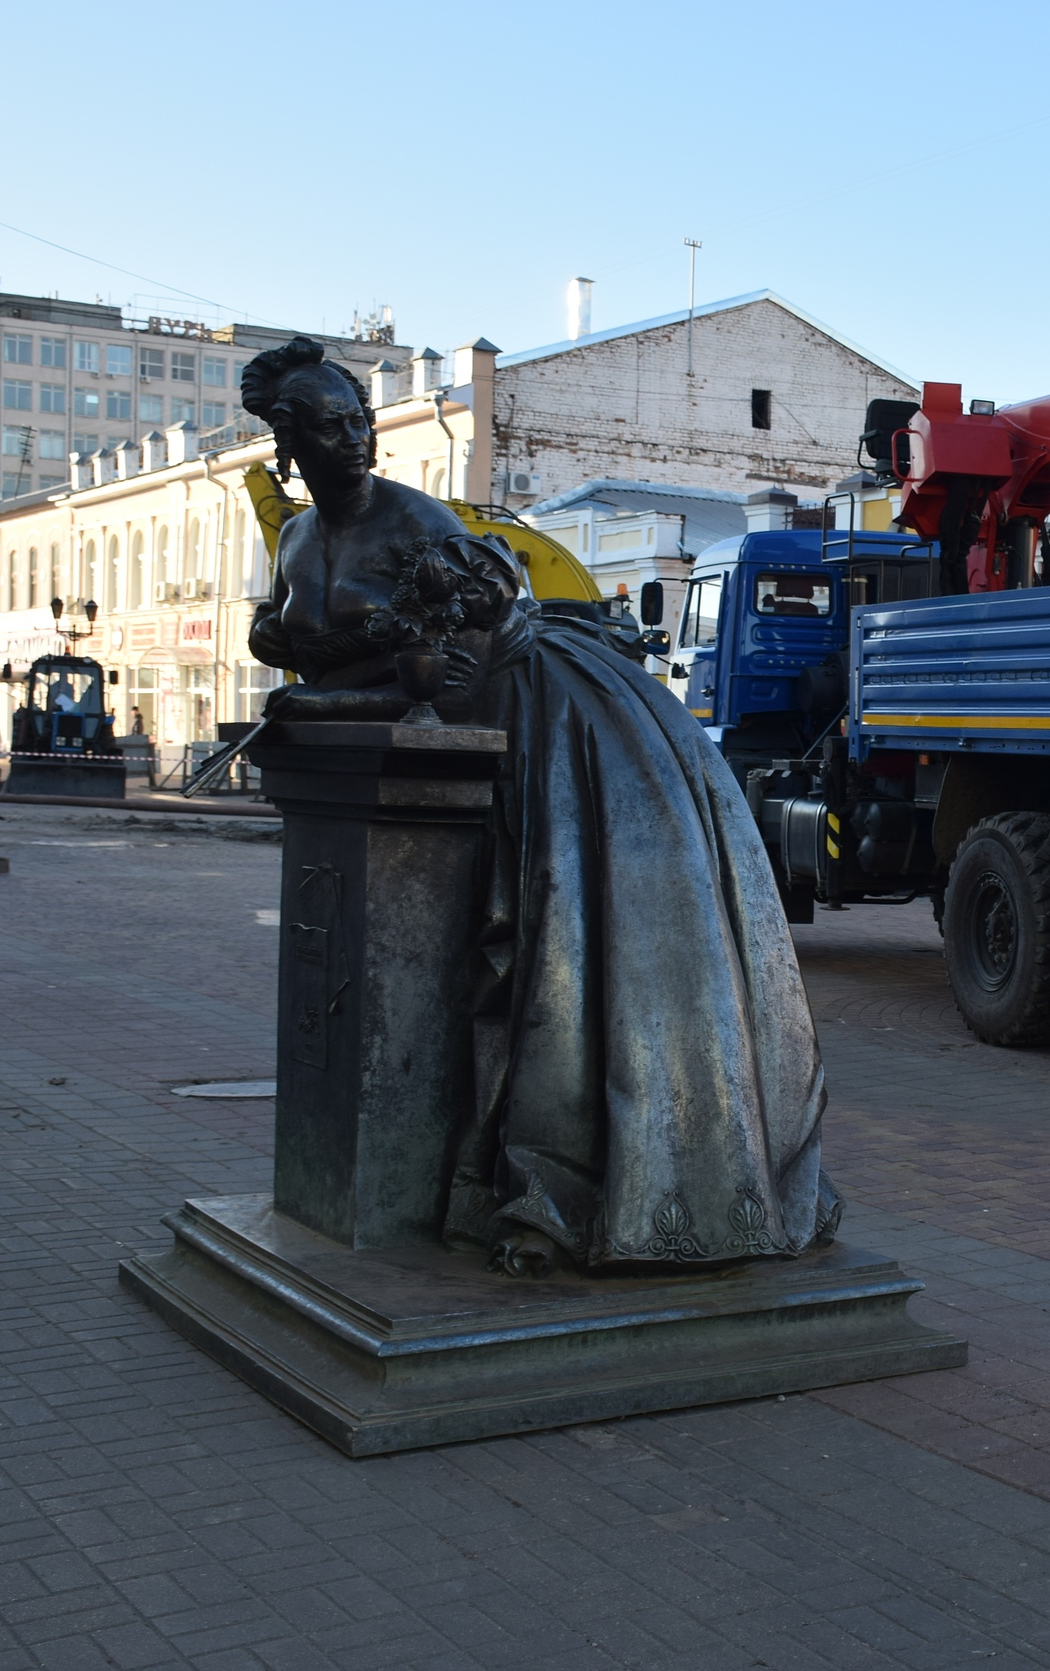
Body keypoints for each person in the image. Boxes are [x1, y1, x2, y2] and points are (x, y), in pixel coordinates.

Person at [241, 336, 835, 1273]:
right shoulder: (298, 538)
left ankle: (594, 1177)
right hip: (410, 736)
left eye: (358, 421)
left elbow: (439, 676)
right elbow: (329, 655)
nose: (352, 440)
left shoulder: (422, 525)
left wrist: (312, 698)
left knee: (567, 948)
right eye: (326, 427)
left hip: (533, 719)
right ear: (288, 444)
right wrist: (312, 687)